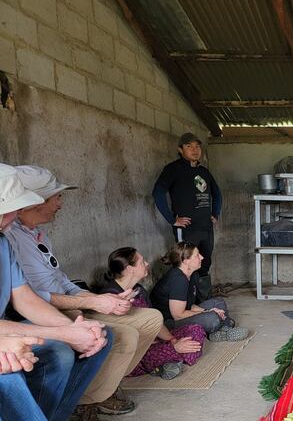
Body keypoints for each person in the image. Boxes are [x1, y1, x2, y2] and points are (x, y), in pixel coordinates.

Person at [6, 165, 162, 416]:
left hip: (65, 306)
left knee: (151, 318)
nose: (61, 203)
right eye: (57, 197)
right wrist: (85, 313)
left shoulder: (36, 236)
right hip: (47, 311)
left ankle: (100, 388)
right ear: (34, 202)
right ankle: (87, 398)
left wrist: (99, 299)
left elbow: (61, 282)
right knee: (114, 336)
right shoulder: (10, 238)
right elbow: (26, 300)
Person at [0, 163, 111, 421]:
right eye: (7, 211)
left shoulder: (3, 242)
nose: (12, 217)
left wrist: (72, 330)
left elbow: (25, 297)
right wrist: (64, 332)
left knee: (92, 338)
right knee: (10, 377)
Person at [100, 247, 205, 380]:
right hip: (135, 351)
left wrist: (172, 340)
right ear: (130, 269)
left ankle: (168, 363)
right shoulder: (110, 296)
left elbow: (154, 322)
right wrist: (175, 348)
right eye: (142, 262)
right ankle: (169, 360)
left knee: (196, 329)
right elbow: (121, 339)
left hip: (154, 339)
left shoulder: (139, 289)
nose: (147, 264)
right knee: (154, 354)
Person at [153, 132, 222, 302]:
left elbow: (217, 193)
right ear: (180, 149)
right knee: (185, 265)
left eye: (197, 146)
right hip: (186, 229)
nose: (194, 149)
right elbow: (158, 192)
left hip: (205, 227)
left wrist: (215, 213)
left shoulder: (203, 171)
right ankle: (184, 302)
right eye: (189, 146)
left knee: (204, 264)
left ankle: (204, 301)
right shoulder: (173, 169)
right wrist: (172, 219)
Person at [150, 242, 248, 342]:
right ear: (186, 261)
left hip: (181, 314)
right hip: (169, 323)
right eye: (197, 255)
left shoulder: (192, 275)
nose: (201, 257)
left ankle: (222, 330)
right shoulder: (178, 280)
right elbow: (178, 315)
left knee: (218, 302)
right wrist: (208, 312)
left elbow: (190, 305)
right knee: (211, 318)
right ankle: (222, 328)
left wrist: (208, 310)